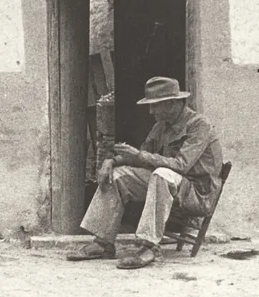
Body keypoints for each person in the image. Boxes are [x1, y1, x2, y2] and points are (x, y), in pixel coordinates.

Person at [67, 76, 224, 270]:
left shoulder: (199, 125)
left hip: (197, 193)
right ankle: (103, 243)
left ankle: (149, 246)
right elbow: (141, 155)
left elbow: (181, 165)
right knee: (118, 176)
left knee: (161, 174)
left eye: (155, 105)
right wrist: (111, 161)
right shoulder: (161, 126)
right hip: (171, 185)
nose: (151, 111)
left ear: (173, 103)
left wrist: (140, 155)